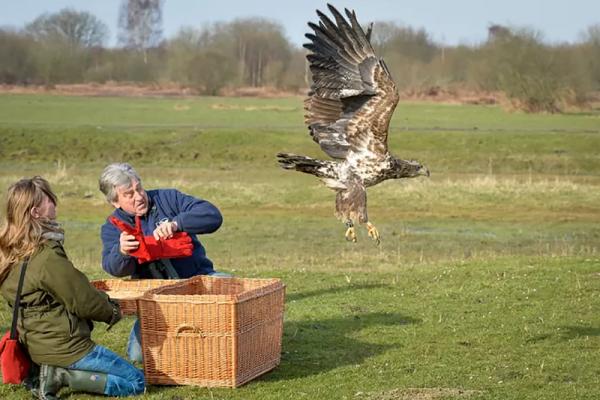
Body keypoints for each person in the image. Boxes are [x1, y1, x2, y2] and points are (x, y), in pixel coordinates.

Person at [0, 177, 145, 399]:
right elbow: (83, 300)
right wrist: (113, 311)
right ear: (35, 212)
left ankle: (49, 371)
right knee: (136, 382)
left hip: (36, 347)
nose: (54, 201)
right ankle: (63, 376)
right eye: (48, 198)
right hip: (66, 348)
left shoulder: (10, 252)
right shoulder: (46, 257)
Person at [98, 162, 226, 362]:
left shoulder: (168, 199)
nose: (139, 196)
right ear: (115, 202)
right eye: (129, 194)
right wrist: (122, 251)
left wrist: (177, 224)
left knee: (229, 289)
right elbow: (113, 267)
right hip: (157, 301)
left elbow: (213, 216)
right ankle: (147, 327)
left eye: (139, 188)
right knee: (138, 357)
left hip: (199, 283)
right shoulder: (112, 228)